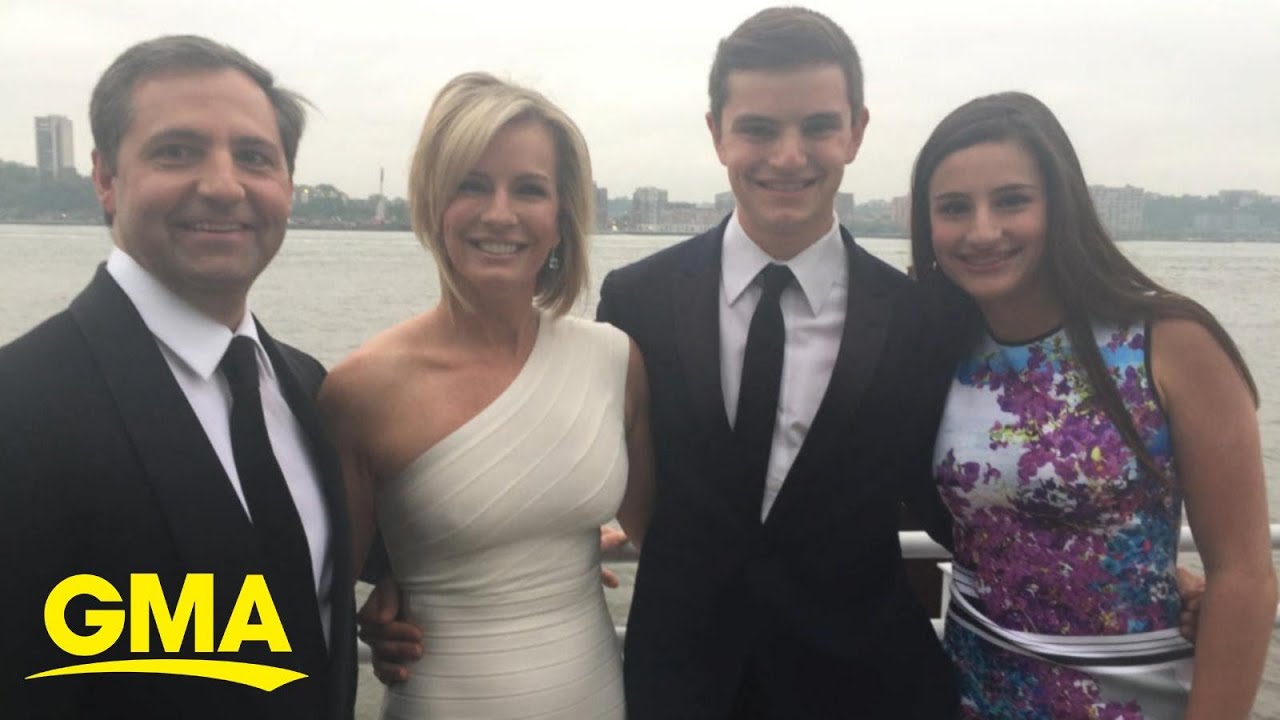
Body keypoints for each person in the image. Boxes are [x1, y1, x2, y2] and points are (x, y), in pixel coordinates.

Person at [597, 8, 961, 718]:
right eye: (759, 129)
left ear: (856, 130)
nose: (789, 157)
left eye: (818, 127)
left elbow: (960, 499)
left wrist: (1143, 580)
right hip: (683, 683)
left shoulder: (919, 319)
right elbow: (605, 467)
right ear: (717, 134)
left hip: (864, 687)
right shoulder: (636, 299)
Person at [0, 36, 356, 718]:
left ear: (287, 185)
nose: (223, 185)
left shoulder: (308, 387)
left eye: (254, 157)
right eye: (177, 151)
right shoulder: (17, 408)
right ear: (106, 178)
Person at [910, 91, 1276, 719]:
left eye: (1012, 201)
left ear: (1062, 206)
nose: (983, 231)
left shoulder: (1171, 341)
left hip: (1131, 698)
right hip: (972, 690)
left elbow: (1243, 573)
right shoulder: (939, 345)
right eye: (954, 208)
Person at [318, 72, 654, 718]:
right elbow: (322, 601)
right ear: (433, 202)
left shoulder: (615, 361)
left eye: (529, 189)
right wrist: (382, 599)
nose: (500, 213)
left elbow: (666, 544)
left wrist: (558, 537)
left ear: (561, 217)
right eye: (472, 184)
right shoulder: (362, 390)